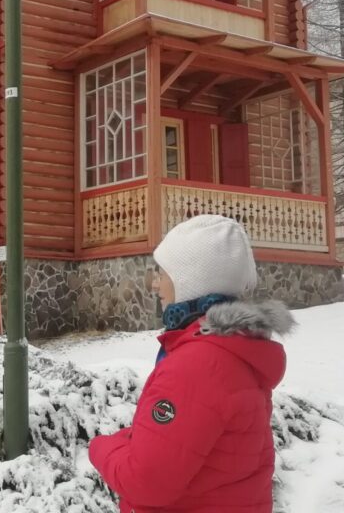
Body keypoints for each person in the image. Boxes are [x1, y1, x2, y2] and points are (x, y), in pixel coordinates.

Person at [89, 214, 296, 513]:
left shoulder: (197, 364)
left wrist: (101, 447)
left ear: (190, 281)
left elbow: (146, 480)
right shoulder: (232, 348)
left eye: (162, 273)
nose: (155, 284)